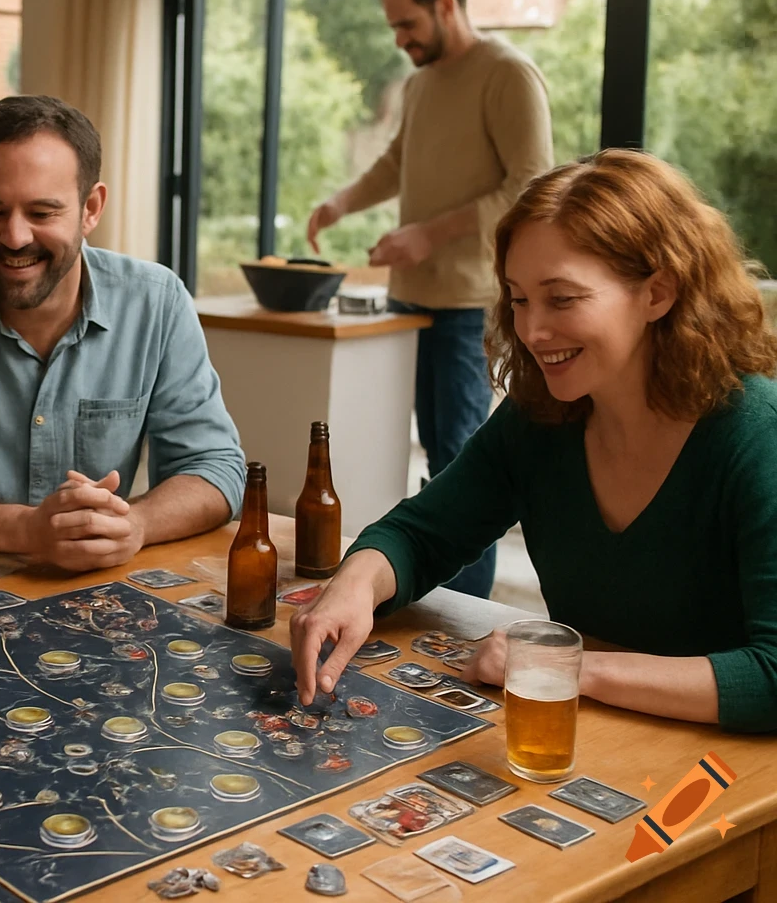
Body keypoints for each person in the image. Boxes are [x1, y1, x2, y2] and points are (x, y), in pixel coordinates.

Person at [291, 150, 777, 733]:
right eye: (518, 298)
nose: (531, 329)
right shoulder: (542, 418)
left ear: (658, 293)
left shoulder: (756, 434)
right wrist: (353, 585)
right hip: (598, 739)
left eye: (562, 298)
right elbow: (419, 535)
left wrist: (567, 668)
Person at [0, 95, 245, 569]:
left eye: (41, 213)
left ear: (90, 208)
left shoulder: (156, 302)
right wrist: (26, 530)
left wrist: (135, 525)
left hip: (99, 592)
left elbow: (215, 468)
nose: (14, 236)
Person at [306, 0, 555, 598]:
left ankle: (466, 615)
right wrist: (340, 203)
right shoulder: (419, 84)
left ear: (447, 5)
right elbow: (395, 163)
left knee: (462, 468)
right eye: (392, 27)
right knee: (428, 469)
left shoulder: (508, 74)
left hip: (469, 302)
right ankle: (436, 599)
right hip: (409, 302)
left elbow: (532, 187)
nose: (399, 39)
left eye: (407, 24)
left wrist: (429, 233)